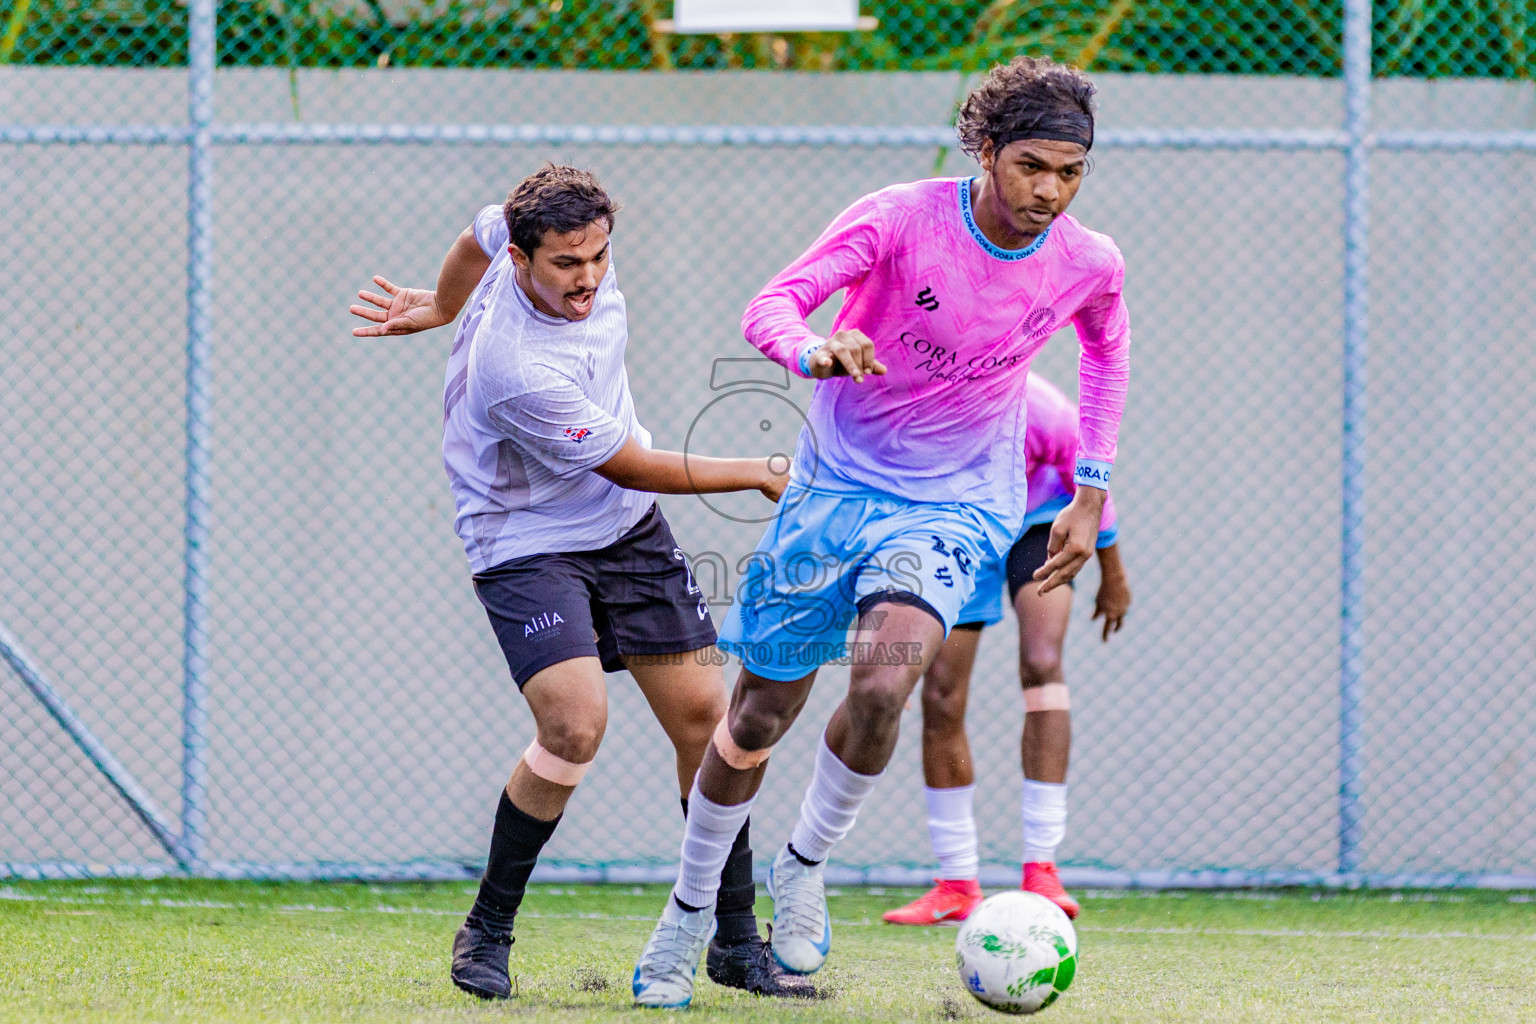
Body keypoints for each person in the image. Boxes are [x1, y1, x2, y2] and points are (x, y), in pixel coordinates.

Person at [632, 56, 1131, 1008]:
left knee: (885, 681)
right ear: (983, 149)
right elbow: (771, 306)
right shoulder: (900, 216)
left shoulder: (1089, 260)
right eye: (1032, 165)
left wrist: (1091, 490)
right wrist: (813, 348)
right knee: (753, 722)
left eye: (1072, 173)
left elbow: (1108, 348)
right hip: (831, 493)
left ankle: (806, 862)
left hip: (953, 508)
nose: (1052, 192)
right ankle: (686, 916)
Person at [349, 164, 815, 1001]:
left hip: (622, 526)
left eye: (599, 255)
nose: (589, 278)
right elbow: (628, 460)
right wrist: (758, 469)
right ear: (525, 262)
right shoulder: (515, 365)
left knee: (710, 720)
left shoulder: (526, 238)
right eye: (567, 264)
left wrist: (441, 304)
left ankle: (737, 942)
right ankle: (487, 929)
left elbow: (473, 230)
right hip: (524, 539)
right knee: (573, 725)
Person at [882, 372, 1131, 926]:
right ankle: (955, 882)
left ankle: (1042, 869)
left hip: (1038, 522)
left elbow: (1092, 495)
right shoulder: (916, 405)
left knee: (1042, 663)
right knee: (942, 695)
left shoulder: (1046, 410)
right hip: (958, 527)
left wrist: (1113, 575)